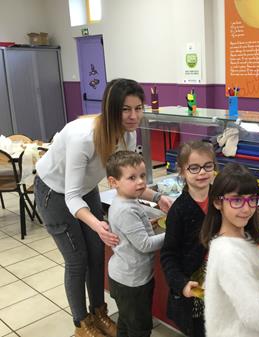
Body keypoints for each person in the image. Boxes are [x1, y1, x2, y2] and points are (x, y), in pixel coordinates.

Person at [34, 78, 172, 337]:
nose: (134, 116)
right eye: (125, 109)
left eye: (138, 108)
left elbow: (128, 179)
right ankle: (82, 323)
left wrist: (158, 197)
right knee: (77, 260)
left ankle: (99, 312)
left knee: (97, 253)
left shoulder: (128, 134)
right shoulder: (83, 137)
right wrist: (98, 225)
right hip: (54, 191)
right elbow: (71, 196)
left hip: (84, 188)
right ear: (111, 109)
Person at [200, 163, 259, 337]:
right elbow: (254, 315)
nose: (246, 208)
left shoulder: (240, 239)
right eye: (236, 200)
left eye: (252, 199)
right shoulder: (229, 253)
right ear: (217, 202)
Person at [106, 151, 165, 337]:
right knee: (139, 329)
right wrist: (172, 234)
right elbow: (145, 245)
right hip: (132, 283)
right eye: (132, 178)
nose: (140, 182)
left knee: (125, 321)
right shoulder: (126, 210)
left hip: (124, 278)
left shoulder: (127, 200)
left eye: (142, 175)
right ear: (113, 182)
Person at [160, 140, 216, 337]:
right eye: (194, 167)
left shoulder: (221, 199)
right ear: (182, 171)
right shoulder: (179, 210)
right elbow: (168, 254)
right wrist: (181, 284)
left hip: (219, 280)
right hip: (194, 288)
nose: (202, 172)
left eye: (207, 166)